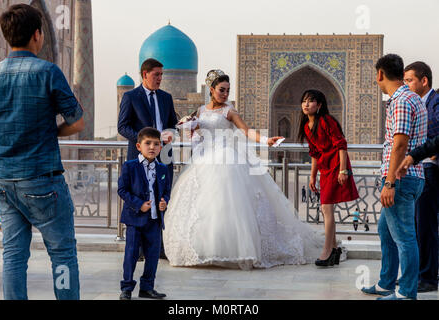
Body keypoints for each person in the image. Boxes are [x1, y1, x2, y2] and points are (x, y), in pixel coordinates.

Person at [163, 70, 323, 270]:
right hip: (204, 160)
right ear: (211, 90)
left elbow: (246, 131)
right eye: (222, 90)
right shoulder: (201, 111)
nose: (225, 94)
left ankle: (232, 251)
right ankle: (206, 250)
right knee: (203, 207)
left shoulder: (229, 111)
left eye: (228, 90)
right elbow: (195, 133)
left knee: (228, 206)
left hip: (227, 161)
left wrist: (266, 140)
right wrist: (190, 128)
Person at [0, 4, 84, 300]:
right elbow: (77, 121)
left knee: (14, 256)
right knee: (62, 254)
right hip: (43, 179)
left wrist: (8, 133)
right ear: (37, 35)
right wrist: (51, 132)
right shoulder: (47, 72)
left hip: (5, 180)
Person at [361, 54, 427, 300]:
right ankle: (386, 282)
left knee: (405, 237)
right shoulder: (414, 98)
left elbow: (399, 145)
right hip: (412, 176)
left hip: (401, 178)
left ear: (380, 74)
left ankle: (406, 292)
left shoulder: (399, 101)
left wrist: (389, 183)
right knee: (386, 232)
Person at [118, 58, 178, 259]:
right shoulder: (131, 97)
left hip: (163, 158)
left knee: (161, 198)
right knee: (142, 198)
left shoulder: (166, 98)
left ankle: (158, 247)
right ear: (145, 74)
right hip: (140, 159)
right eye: (156, 75)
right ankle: (139, 248)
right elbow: (123, 127)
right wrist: (147, 141)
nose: (160, 78)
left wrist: (172, 133)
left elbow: (172, 124)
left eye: (161, 75)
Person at [298, 89, 359, 267]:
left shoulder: (326, 121)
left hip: (335, 166)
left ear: (319, 105)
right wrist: (312, 176)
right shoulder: (306, 127)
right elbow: (315, 154)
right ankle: (334, 250)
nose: (306, 104)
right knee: (326, 209)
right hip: (325, 168)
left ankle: (327, 251)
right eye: (304, 101)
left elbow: (341, 145)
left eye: (310, 101)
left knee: (326, 208)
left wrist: (343, 170)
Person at [118, 127, 171, 300]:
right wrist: (139, 204)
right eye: (147, 143)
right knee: (131, 254)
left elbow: (166, 191)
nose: (152, 147)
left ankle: (147, 287)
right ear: (139, 146)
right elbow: (122, 190)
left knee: (153, 256)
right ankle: (126, 288)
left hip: (154, 220)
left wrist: (164, 201)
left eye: (156, 144)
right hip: (135, 219)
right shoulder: (130, 166)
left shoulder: (163, 169)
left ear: (160, 148)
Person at [403, 61, 439, 293]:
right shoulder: (418, 105)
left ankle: (427, 277)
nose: (406, 85)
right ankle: (420, 274)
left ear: (423, 81)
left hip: (430, 168)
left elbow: (435, 135)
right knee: (419, 224)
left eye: (409, 80)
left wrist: (414, 155)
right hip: (423, 167)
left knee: (425, 224)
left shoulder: (436, 103)